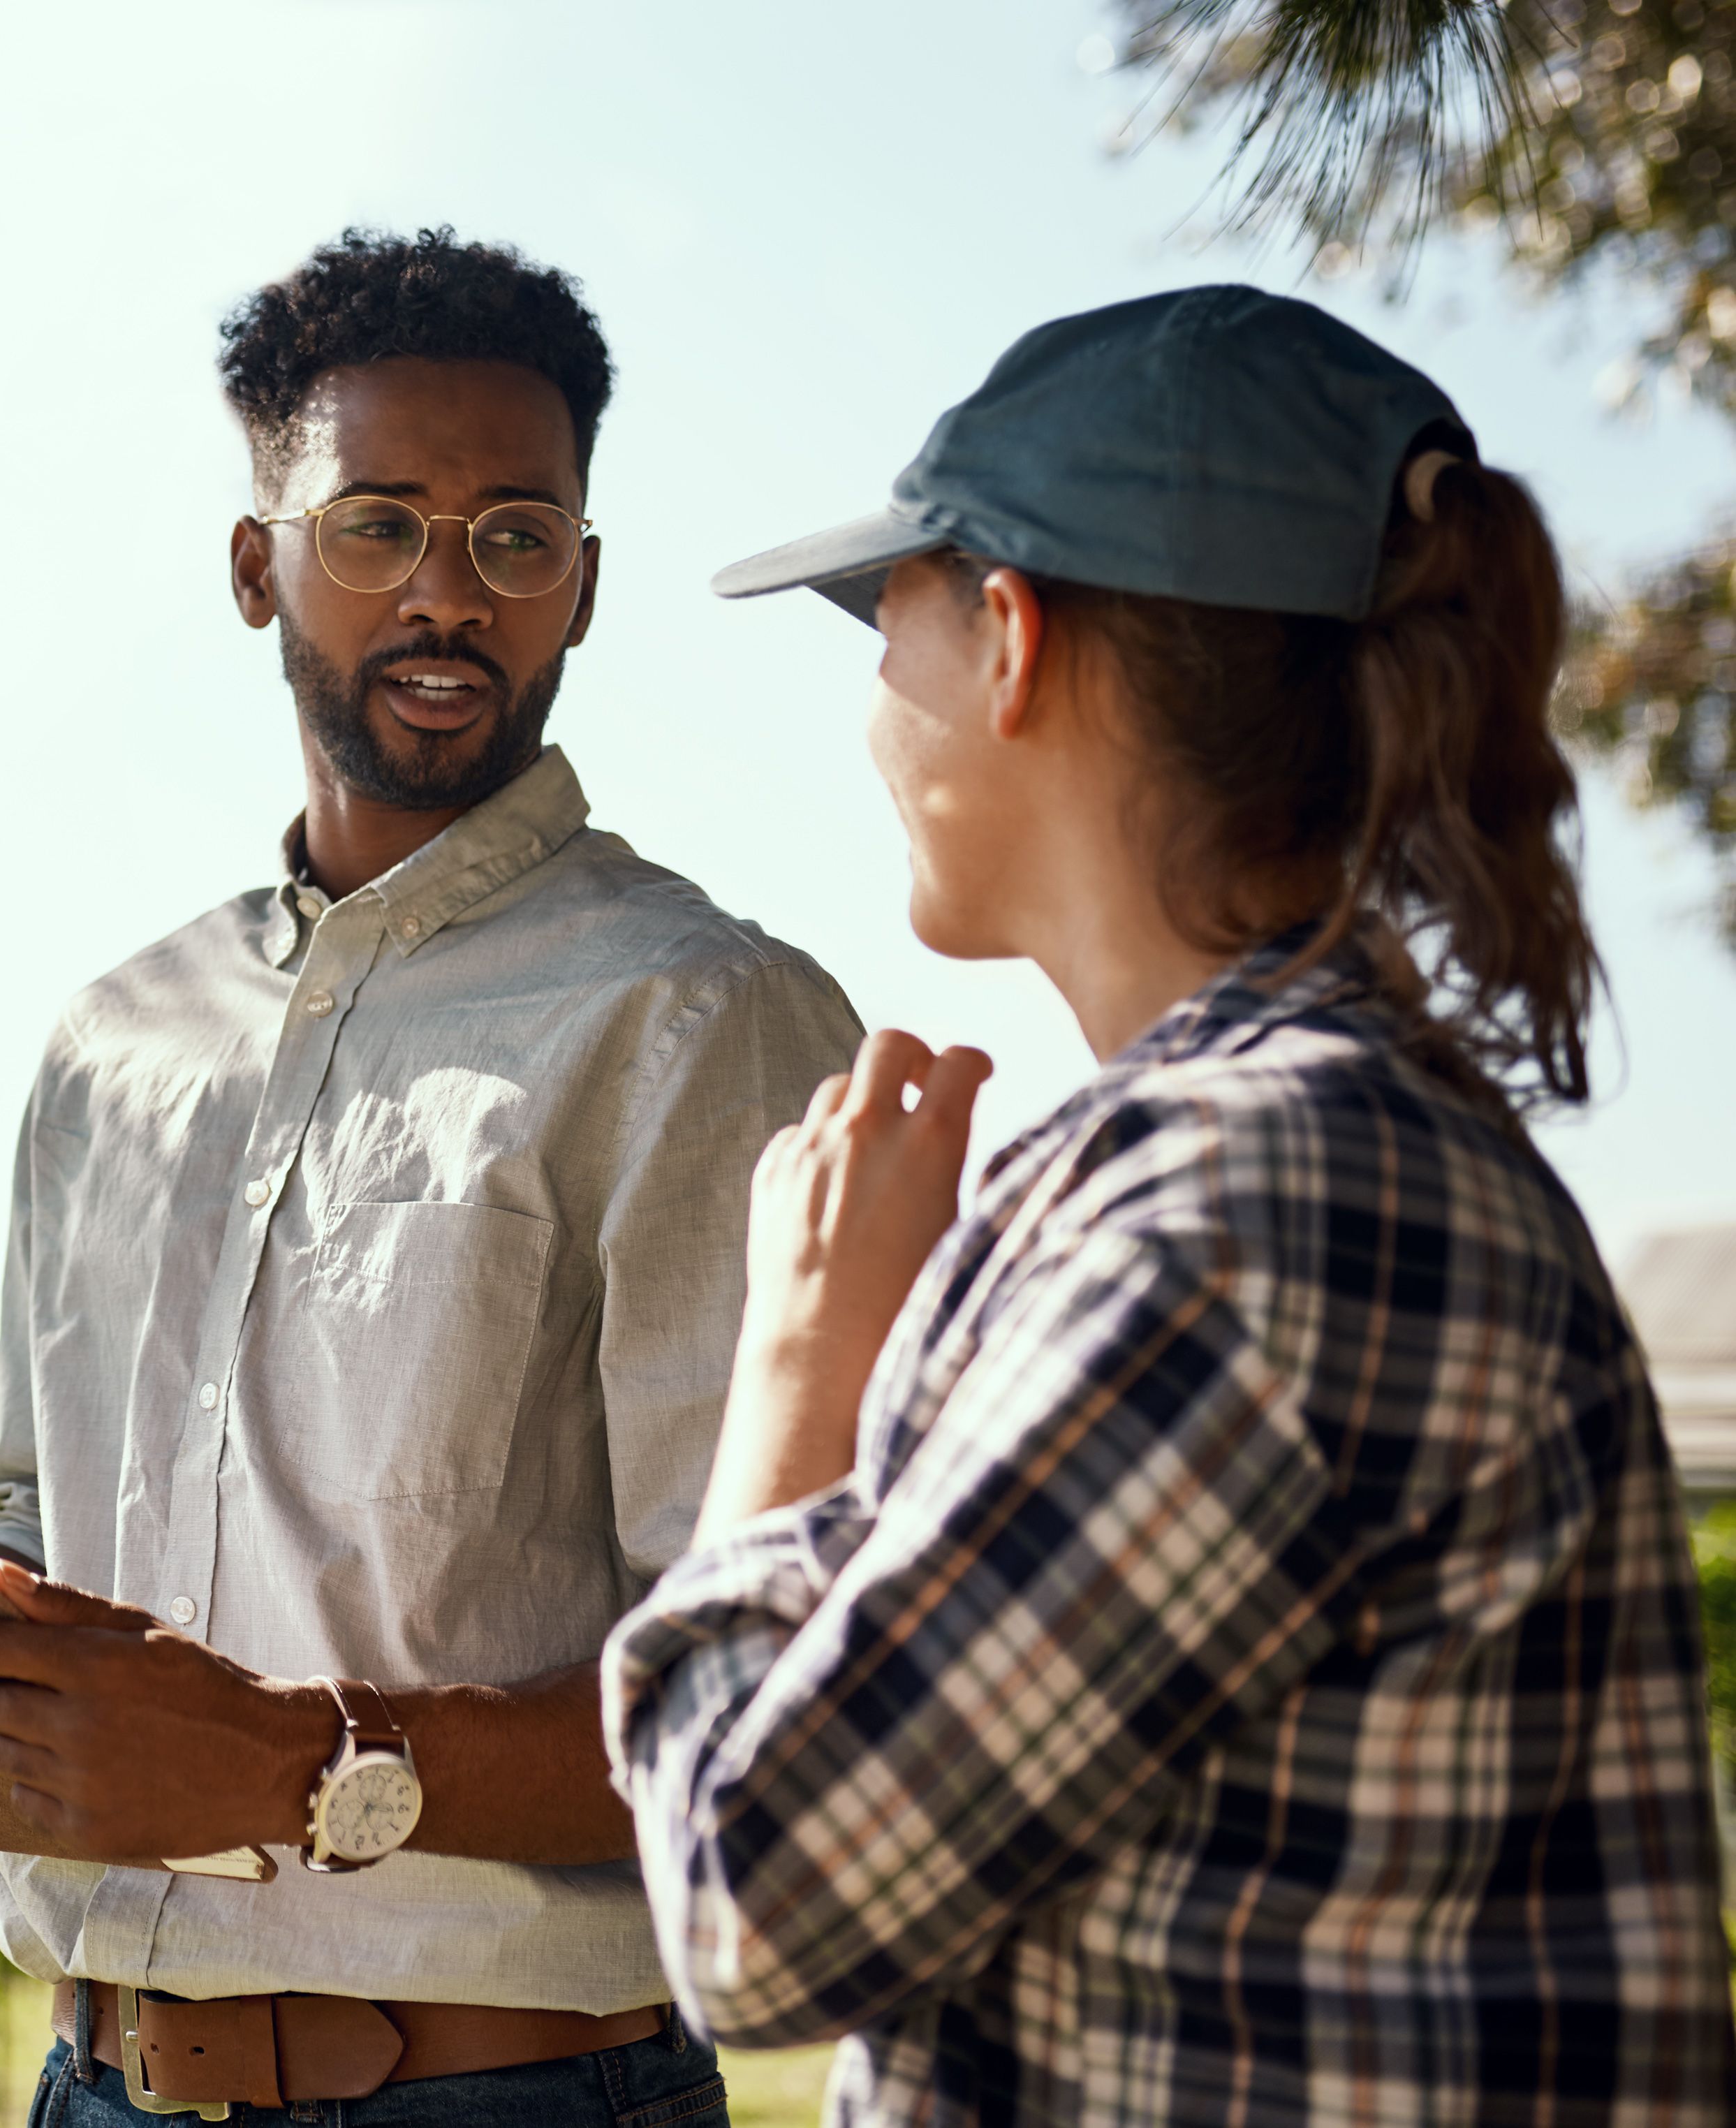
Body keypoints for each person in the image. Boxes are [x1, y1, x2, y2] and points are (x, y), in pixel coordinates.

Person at [0, 227, 860, 2125]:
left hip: (504, 2101)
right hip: (89, 2085)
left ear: (584, 589)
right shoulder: (118, 1038)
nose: (449, 594)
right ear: (255, 563)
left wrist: (303, 1764)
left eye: (515, 539)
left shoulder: (703, 1021)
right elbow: (30, 1537)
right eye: (377, 527)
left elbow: (778, 1696)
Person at [604, 284, 1736, 2124]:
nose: (872, 693)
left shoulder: (1249, 1206)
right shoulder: (1304, 1160)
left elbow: (754, 1912)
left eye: (886, 606)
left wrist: (803, 1362)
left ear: (1012, 636)